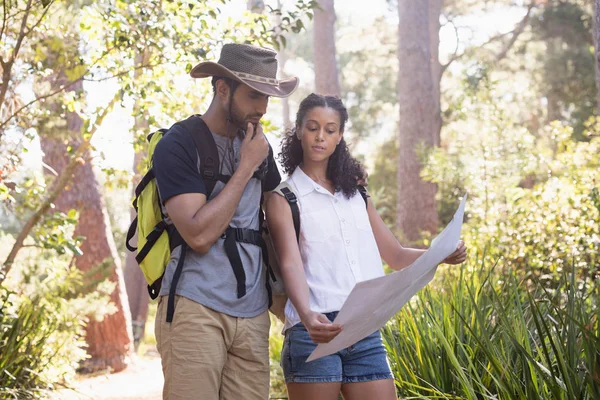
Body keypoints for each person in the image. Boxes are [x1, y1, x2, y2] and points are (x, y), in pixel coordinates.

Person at [265, 93, 467, 400]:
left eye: (330, 130)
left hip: (365, 331)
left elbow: (396, 256)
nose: (321, 137)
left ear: (340, 136)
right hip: (313, 332)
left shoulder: (357, 194)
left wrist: (441, 254)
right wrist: (306, 315)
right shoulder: (284, 198)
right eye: (312, 127)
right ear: (299, 131)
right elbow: (290, 263)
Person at [152, 43, 298, 400]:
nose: (262, 108)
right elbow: (198, 235)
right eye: (254, 96)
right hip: (193, 306)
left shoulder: (258, 145)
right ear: (222, 89)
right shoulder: (179, 143)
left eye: (267, 97)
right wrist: (245, 166)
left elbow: (280, 221)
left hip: (252, 315)